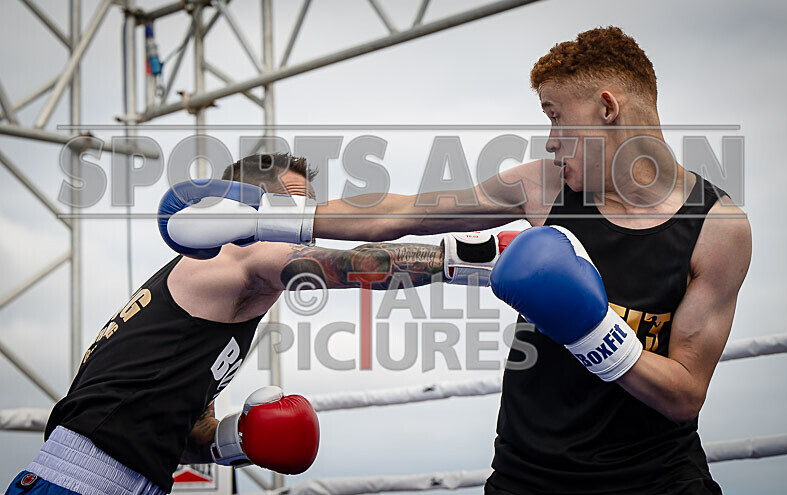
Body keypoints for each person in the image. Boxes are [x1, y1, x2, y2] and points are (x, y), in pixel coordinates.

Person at [174, 27, 752, 494]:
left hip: (657, 482)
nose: (549, 140)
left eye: (555, 116)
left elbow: (685, 395)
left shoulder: (717, 230)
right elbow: (401, 214)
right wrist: (266, 217)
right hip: (529, 479)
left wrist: (594, 332)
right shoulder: (545, 187)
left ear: (606, 107)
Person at [5, 153, 518, 495]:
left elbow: (183, 433)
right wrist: (480, 258)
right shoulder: (234, 260)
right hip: (76, 482)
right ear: (241, 212)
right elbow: (358, 264)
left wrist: (233, 439)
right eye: (293, 208)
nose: (307, 223)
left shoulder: (220, 297)